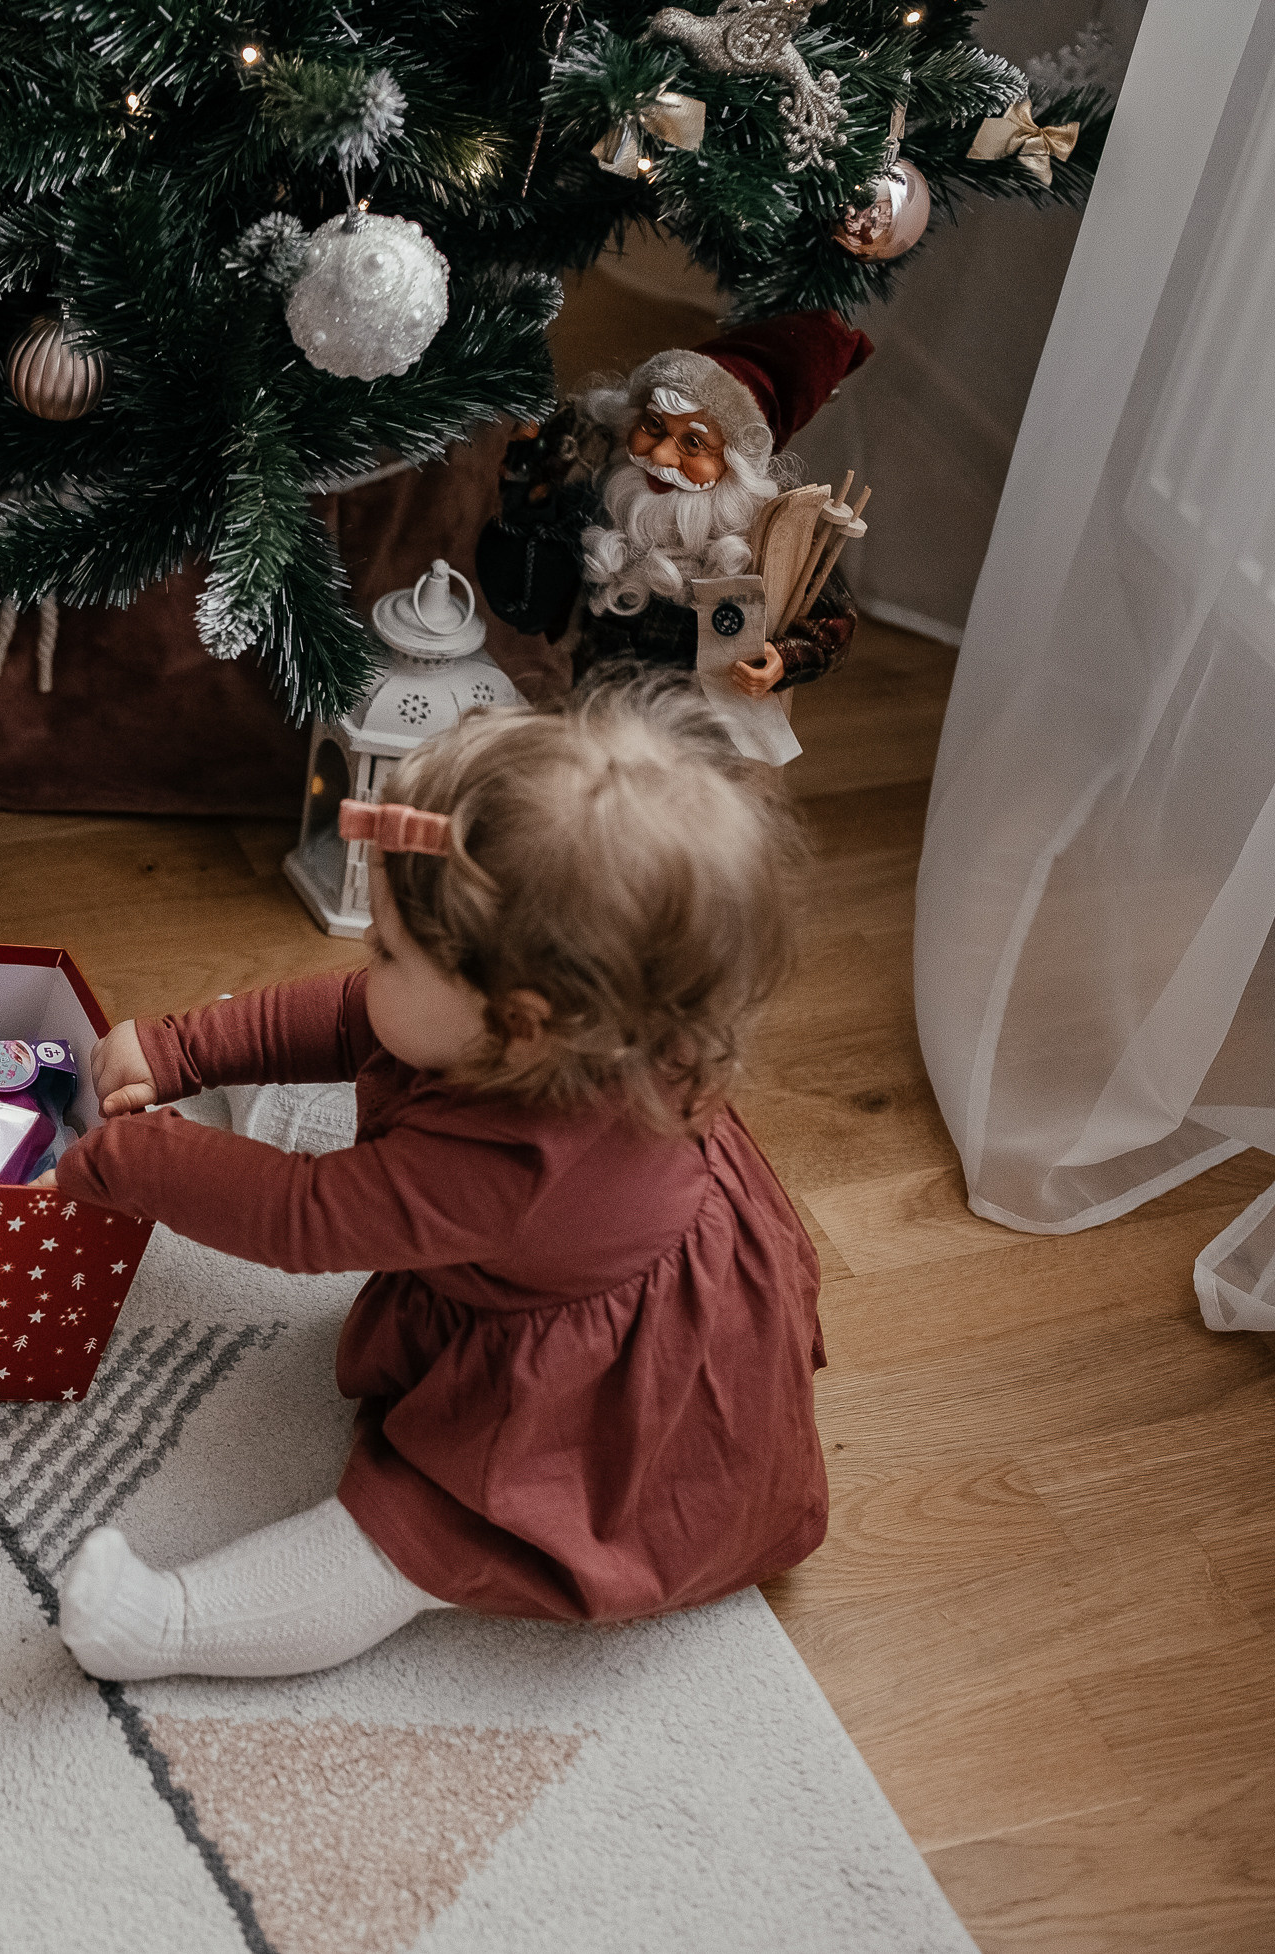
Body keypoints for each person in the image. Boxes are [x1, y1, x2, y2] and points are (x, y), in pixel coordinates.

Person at [43, 681, 828, 1679]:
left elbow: (303, 1217)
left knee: (407, 1538)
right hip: (542, 1256)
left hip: (585, 1406)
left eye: (389, 952)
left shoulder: (506, 1170)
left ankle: (168, 1627)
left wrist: (128, 1159)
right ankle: (288, 1110)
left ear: (524, 1022)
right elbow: (345, 1018)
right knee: (376, 1084)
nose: (366, 971)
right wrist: (187, 1047)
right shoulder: (538, 1029)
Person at [475, 311, 872, 699]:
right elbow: (526, 594)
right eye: (652, 426)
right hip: (600, 702)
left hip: (703, 721)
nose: (662, 456)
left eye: (693, 444)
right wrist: (528, 490)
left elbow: (833, 617)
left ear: (736, 465)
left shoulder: (768, 535)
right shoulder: (602, 500)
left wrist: (785, 658)